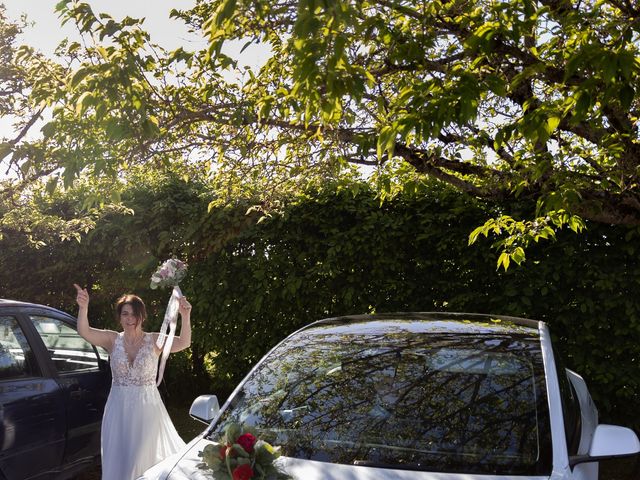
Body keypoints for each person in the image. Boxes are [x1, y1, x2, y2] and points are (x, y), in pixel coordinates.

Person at [74, 283, 191, 480]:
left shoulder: (154, 340)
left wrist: (185, 317)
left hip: (147, 411)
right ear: (120, 317)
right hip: (118, 411)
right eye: (125, 314)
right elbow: (85, 332)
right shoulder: (112, 340)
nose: (130, 319)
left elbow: (183, 342)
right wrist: (83, 307)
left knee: (140, 460)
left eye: (134, 314)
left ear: (142, 316)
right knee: (121, 459)